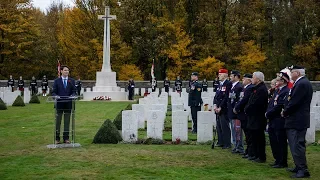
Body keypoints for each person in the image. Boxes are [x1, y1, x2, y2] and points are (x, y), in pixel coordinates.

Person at [282, 65, 312, 178]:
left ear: (298, 73)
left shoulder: (302, 84)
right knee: (294, 144)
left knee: (297, 145)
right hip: (296, 119)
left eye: (292, 72)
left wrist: (285, 111)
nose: (290, 74)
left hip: (297, 120)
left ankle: (303, 170)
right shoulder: (300, 83)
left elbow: (295, 102)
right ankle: (298, 166)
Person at [265, 72, 290, 169]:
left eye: (278, 80)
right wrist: (268, 112)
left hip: (279, 120)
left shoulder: (286, 91)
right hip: (272, 119)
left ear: (283, 81)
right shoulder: (277, 91)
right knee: (273, 141)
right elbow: (271, 104)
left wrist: (268, 113)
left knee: (280, 141)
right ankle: (277, 159)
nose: (276, 81)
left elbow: (279, 106)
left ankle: (282, 161)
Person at [244, 71, 268, 163]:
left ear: (258, 79)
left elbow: (256, 103)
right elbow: (250, 101)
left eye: (253, 77)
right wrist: (247, 108)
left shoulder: (261, 89)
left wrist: (248, 108)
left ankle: (261, 156)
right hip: (253, 117)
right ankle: (255, 154)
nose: (251, 79)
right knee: (254, 137)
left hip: (258, 117)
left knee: (259, 137)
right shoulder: (256, 88)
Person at [52, 65, 76, 144]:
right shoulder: (57, 81)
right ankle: (57, 138)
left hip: (68, 104)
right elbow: (53, 92)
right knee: (58, 122)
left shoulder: (71, 81)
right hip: (59, 103)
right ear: (61, 71)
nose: (67, 72)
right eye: (65, 70)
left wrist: (73, 95)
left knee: (67, 122)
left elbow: (74, 91)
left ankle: (66, 138)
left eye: (68, 70)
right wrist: (55, 96)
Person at [234, 74, 254, 159]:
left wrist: (237, 107)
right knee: (246, 133)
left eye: (244, 79)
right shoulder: (245, 88)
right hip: (242, 113)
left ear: (249, 80)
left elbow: (244, 100)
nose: (243, 80)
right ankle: (248, 151)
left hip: (245, 113)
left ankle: (250, 151)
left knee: (248, 134)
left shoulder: (250, 88)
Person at [213, 69, 232, 149]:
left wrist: (220, 107)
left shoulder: (228, 84)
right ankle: (220, 141)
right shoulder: (220, 84)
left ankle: (227, 143)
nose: (219, 76)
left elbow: (226, 97)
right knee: (219, 126)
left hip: (224, 109)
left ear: (225, 75)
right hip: (218, 108)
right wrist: (215, 105)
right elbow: (216, 96)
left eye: (220, 74)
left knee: (225, 126)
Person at [227, 70, 244, 154]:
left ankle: (239, 147)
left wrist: (236, 109)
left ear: (236, 76)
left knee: (237, 130)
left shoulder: (239, 87)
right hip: (231, 112)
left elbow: (239, 99)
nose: (230, 77)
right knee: (234, 130)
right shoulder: (232, 86)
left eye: (231, 76)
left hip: (236, 113)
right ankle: (235, 145)